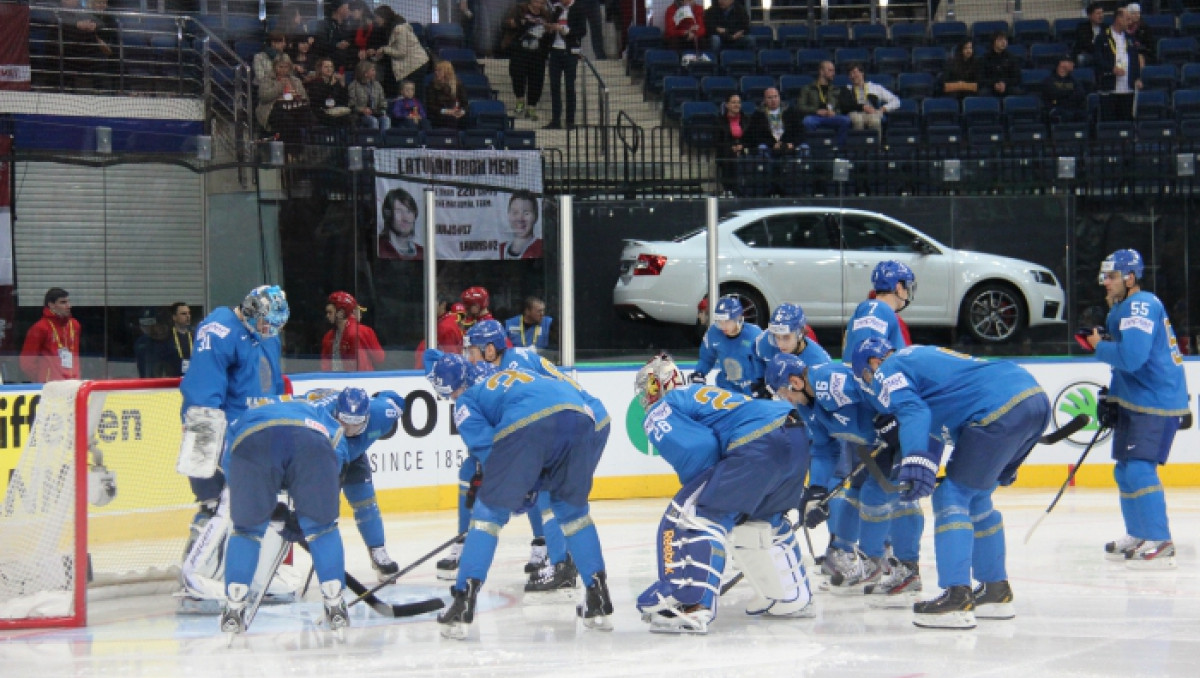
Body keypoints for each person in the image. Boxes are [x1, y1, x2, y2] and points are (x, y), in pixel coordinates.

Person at [850, 337, 1051, 629]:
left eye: (866, 379)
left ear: (872, 364)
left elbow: (914, 413)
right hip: (1031, 397)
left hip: (997, 407)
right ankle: (995, 591)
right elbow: (933, 426)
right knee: (978, 497)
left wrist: (915, 461)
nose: (872, 386)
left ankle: (957, 596)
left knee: (950, 497)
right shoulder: (922, 361)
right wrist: (922, 466)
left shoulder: (889, 368)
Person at [425, 353, 613, 639]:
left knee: (488, 514)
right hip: (580, 416)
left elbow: (489, 449)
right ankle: (598, 599)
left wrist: (512, 490)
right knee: (573, 513)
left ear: (455, 389)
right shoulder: (511, 379)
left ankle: (463, 603)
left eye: (449, 395)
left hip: (530, 421)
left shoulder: (467, 400)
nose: (452, 400)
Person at [633, 353, 812, 633]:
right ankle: (791, 598)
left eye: (647, 388)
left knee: (699, 518)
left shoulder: (663, 407)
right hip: (795, 436)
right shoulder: (701, 393)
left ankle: (693, 608)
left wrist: (713, 492)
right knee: (761, 522)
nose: (645, 397)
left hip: (757, 444)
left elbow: (699, 452)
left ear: (658, 384)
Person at [450, 318, 612, 589]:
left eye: (474, 350)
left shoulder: (513, 366)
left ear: (490, 350)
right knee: (555, 495)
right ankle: (566, 563)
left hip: (583, 419)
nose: (470, 357)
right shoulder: (513, 359)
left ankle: (561, 565)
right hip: (584, 417)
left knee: (551, 496)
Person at [766, 354, 925, 607]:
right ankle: (855, 556)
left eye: (783, 391)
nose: (785, 398)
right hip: (878, 442)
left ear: (795, 382)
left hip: (905, 430)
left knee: (878, 493)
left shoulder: (829, 381)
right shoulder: (808, 407)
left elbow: (872, 386)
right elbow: (824, 449)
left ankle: (887, 565)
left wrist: (888, 415)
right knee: (857, 489)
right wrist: (817, 490)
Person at [177, 286, 289, 606]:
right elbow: (203, 389)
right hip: (215, 432)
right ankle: (197, 576)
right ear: (251, 311)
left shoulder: (266, 335)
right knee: (217, 504)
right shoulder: (219, 329)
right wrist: (207, 445)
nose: (271, 331)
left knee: (266, 504)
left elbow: (272, 384)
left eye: (275, 326)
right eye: (267, 323)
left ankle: (253, 574)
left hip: (256, 433)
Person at [217, 396, 354, 637]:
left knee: (246, 530)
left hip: (252, 444)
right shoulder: (316, 410)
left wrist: (251, 503)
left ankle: (234, 608)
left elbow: (230, 460)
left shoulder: (245, 415)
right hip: (310, 443)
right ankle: (335, 605)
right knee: (322, 528)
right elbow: (337, 446)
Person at [1086, 249, 1188, 569]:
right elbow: (1129, 366)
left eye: (1112, 276)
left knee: (1140, 469)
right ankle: (1138, 533)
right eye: (1105, 276)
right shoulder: (1123, 309)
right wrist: (1113, 398)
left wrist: (1098, 347)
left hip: (1155, 401)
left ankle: (1160, 538)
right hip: (1138, 399)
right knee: (1125, 470)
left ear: (1131, 277)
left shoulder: (1140, 305)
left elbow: (1132, 358)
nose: (1106, 282)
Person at [691, 295, 765, 396]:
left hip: (752, 389)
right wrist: (699, 373)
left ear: (738, 318)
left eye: (727, 321)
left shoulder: (755, 334)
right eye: (719, 321)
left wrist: (762, 382)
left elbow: (764, 361)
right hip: (726, 387)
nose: (723, 326)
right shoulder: (713, 333)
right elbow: (706, 358)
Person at [503, 0, 554, 121]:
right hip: (519, 50)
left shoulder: (546, 14)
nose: (539, 4)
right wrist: (514, 23)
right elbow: (506, 23)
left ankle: (531, 107)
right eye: (537, 1)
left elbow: (550, 31)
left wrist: (549, 30)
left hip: (538, 53)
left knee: (536, 80)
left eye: (542, 2)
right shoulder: (519, 9)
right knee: (517, 74)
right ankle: (520, 100)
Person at [20, 287, 82, 383]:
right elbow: (27, 362)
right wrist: (42, 380)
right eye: (63, 302)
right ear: (51, 305)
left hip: (73, 383)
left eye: (68, 302)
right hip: (50, 386)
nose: (69, 306)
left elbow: (76, 356)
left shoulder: (74, 325)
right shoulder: (40, 328)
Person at [545, 0, 587, 130]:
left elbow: (582, 31)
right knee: (555, 86)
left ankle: (570, 121)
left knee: (569, 86)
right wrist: (550, 28)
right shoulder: (556, 9)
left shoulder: (579, 8)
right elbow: (551, 25)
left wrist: (564, 30)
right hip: (555, 52)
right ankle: (556, 119)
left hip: (570, 53)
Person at [1095, 5, 1142, 122]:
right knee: (1110, 122)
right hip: (1109, 87)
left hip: (1127, 88)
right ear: (1118, 19)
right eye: (1127, 19)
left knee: (1126, 121)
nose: (1130, 22)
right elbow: (1097, 59)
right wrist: (1111, 69)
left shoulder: (1130, 38)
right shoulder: (1102, 37)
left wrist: (1137, 78)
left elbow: (1135, 60)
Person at [321, 291, 385, 371]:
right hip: (338, 380)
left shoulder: (361, 332)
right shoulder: (328, 336)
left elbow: (379, 358)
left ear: (341, 313)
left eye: (330, 312)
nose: (327, 316)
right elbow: (379, 358)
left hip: (358, 380)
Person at [256, 55, 311, 143]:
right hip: (273, 109)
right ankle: (289, 152)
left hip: (293, 108)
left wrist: (297, 96)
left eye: (286, 67)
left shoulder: (295, 80)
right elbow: (264, 96)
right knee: (288, 122)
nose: (283, 70)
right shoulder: (267, 79)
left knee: (307, 117)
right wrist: (280, 86)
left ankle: (298, 152)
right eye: (280, 67)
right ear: (275, 67)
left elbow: (305, 98)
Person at [378, 6, 429, 96]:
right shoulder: (390, 28)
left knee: (416, 95)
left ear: (384, 17)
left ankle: (419, 110)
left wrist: (384, 49)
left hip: (416, 65)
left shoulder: (399, 29)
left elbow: (401, 52)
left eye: (377, 17)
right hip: (411, 65)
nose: (376, 20)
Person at [798, 61, 851, 147]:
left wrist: (835, 112)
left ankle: (838, 149)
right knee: (807, 121)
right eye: (830, 70)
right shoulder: (807, 88)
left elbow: (841, 107)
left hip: (831, 116)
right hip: (815, 116)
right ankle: (813, 149)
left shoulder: (836, 89)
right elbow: (800, 107)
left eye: (833, 71)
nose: (833, 73)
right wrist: (816, 111)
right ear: (821, 71)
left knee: (846, 120)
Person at [843, 63, 900, 134]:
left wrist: (883, 109)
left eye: (854, 73)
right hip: (855, 113)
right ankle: (858, 144)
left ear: (862, 73)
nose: (852, 76)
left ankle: (876, 144)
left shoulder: (875, 88)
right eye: (850, 74)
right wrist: (863, 108)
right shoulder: (847, 89)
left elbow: (896, 101)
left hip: (872, 112)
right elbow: (845, 105)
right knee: (858, 120)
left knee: (875, 120)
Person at [747, 86, 805, 155]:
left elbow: (800, 131)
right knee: (762, 148)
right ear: (764, 100)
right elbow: (755, 135)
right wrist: (772, 144)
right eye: (770, 98)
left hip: (788, 144)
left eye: (775, 97)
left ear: (779, 97)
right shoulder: (758, 114)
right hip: (768, 146)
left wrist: (792, 144)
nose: (773, 100)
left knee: (804, 147)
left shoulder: (790, 111)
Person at [414, 300, 466, 368]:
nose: (429, 306)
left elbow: (451, 362)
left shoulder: (446, 327)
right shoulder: (442, 322)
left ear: (443, 305)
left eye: (434, 303)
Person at [306, 57, 353, 128]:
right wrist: (330, 86)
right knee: (336, 120)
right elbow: (319, 100)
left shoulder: (335, 82)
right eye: (326, 67)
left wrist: (343, 85)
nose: (329, 69)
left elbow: (344, 101)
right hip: (320, 111)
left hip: (334, 110)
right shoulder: (315, 82)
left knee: (349, 118)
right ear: (320, 69)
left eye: (331, 67)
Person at [378, 187, 423, 260]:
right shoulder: (378, 248)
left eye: (409, 211)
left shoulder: (421, 252)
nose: (405, 218)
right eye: (399, 211)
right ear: (388, 215)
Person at [1042, 56, 1087, 123]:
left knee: (1083, 115)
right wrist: (1070, 91)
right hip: (1056, 108)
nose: (1073, 64)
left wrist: (1065, 94)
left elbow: (1081, 93)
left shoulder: (1073, 80)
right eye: (1069, 62)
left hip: (1072, 108)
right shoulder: (1049, 80)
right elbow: (1055, 93)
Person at [348, 60, 391, 131]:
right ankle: (373, 141)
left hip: (376, 112)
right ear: (365, 73)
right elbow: (351, 105)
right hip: (361, 115)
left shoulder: (377, 85)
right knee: (373, 121)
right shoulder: (353, 86)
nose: (375, 73)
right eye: (373, 70)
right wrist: (362, 110)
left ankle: (384, 141)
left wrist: (382, 110)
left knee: (386, 119)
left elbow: (383, 101)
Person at [314, 0, 356, 72]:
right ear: (340, 9)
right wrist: (336, 45)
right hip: (329, 65)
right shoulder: (324, 24)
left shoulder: (347, 26)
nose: (349, 11)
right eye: (347, 8)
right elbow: (320, 44)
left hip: (346, 65)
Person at [426, 60, 469, 130]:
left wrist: (461, 112)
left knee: (466, 119)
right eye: (435, 70)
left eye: (439, 71)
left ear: (447, 73)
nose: (436, 73)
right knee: (451, 119)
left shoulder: (458, 85)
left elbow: (465, 104)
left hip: (456, 113)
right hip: (439, 114)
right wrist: (447, 111)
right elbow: (430, 107)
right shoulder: (432, 86)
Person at [501, 190, 543, 259]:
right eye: (515, 213)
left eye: (526, 213)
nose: (520, 219)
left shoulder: (543, 249)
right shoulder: (500, 249)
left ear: (536, 216)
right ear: (508, 215)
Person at [978, 31, 1021, 98]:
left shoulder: (1011, 57)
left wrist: (1004, 83)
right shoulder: (985, 58)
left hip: (1007, 86)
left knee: (1018, 92)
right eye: (1000, 40)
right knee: (983, 93)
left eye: (1005, 39)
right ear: (993, 42)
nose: (1003, 42)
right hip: (990, 87)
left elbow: (1017, 77)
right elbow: (981, 78)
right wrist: (994, 84)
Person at [160, 302, 194, 378]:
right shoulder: (166, 337)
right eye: (183, 314)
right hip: (172, 380)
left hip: (192, 379)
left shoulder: (195, 337)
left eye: (189, 313)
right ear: (174, 317)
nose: (188, 316)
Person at [134, 309, 164, 378]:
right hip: (145, 379)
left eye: (150, 323)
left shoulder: (162, 339)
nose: (147, 327)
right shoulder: (140, 342)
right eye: (144, 323)